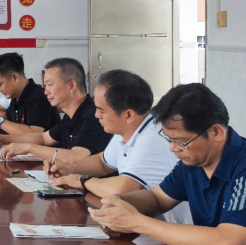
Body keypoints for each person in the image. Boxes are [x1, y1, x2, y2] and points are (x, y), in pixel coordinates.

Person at [89, 83, 246, 245]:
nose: (173, 148)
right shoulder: (193, 162)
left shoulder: (241, 166)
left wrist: (137, 222)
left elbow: (226, 244)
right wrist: (120, 203)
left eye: (181, 141)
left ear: (216, 133)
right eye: (169, 139)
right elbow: (157, 198)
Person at [45, 70, 192, 224]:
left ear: (128, 115)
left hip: (177, 226)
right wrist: (69, 169)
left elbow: (122, 190)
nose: (96, 115)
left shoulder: (152, 138)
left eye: (102, 111)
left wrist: (82, 180)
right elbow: (103, 163)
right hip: (155, 218)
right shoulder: (129, 128)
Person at [0, 57, 112, 164]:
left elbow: (75, 157)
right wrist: (2, 139)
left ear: (72, 86)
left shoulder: (92, 116)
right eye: (45, 86)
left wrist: (28, 147)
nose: (46, 92)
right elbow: (43, 138)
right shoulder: (70, 116)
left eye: (50, 85)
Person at [0, 53, 59, 136]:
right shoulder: (16, 98)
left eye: (0, 84)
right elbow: (11, 125)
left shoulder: (39, 97)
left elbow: (34, 134)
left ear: (15, 77)